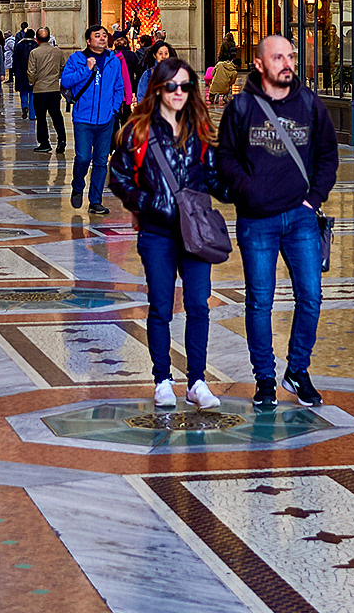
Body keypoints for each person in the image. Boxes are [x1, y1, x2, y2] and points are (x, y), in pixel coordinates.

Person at [216, 33, 338, 408]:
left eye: (291, 56)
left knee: (312, 297)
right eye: (278, 57)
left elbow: (327, 157)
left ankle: (297, 370)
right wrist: (248, 193)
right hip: (257, 221)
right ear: (258, 64)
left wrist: (312, 199)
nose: (287, 63)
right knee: (259, 302)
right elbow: (225, 160)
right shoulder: (241, 107)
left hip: (301, 217)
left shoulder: (310, 104)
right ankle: (265, 378)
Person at [109, 57, 222, 412]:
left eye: (185, 86)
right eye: (171, 86)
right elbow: (119, 177)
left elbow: (216, 178)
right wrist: (147, 203)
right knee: (160, 306)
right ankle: (162, 380)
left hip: (196, 231)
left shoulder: (201, 129)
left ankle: (197, 381)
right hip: (157, 232)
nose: (178, 92)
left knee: (198, 305)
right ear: (158, 88)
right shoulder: (138, 131)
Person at [60, 24, 128, 213]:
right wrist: (87, 70)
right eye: (97, 36)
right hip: (83, 118)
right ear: (88, 41)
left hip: (106, 120)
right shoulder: (77, 59)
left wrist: (113, 110)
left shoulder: (113, 60)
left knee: (100, 161)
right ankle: (77, 185)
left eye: (104, 35)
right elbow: (66, 81)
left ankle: (95, 201)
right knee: (83, 157)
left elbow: (118, 86)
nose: (102, 38)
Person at [28, 27, 66, 153]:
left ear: (37, 39)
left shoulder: (34, 53)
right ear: (49, 38)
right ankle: (62, 139)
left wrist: (33, 81)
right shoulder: (58, 52)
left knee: (41, 117)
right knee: (56, 115)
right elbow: (62, 68)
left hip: (39, 89)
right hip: (54, 88)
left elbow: (31, 71)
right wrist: (56, 77)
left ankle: (44, 142)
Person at [206, 38, 241, 140]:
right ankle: (223, 97)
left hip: (213, 87)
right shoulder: (234, 72)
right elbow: (232, 82)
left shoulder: (220, 64)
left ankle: (213, 98)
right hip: (225, 89)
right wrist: (226, 84)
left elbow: (212, 73)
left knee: (212, 90)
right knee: (226, 87)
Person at [12, 26, 35, 121]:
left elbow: (15, 60)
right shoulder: (36, 45)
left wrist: (14, 71)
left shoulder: (19, 45)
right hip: (33, 72)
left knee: (23, 92)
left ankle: (24, 106)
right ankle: (32, 114)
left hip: (21, 72)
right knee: (32, 93)